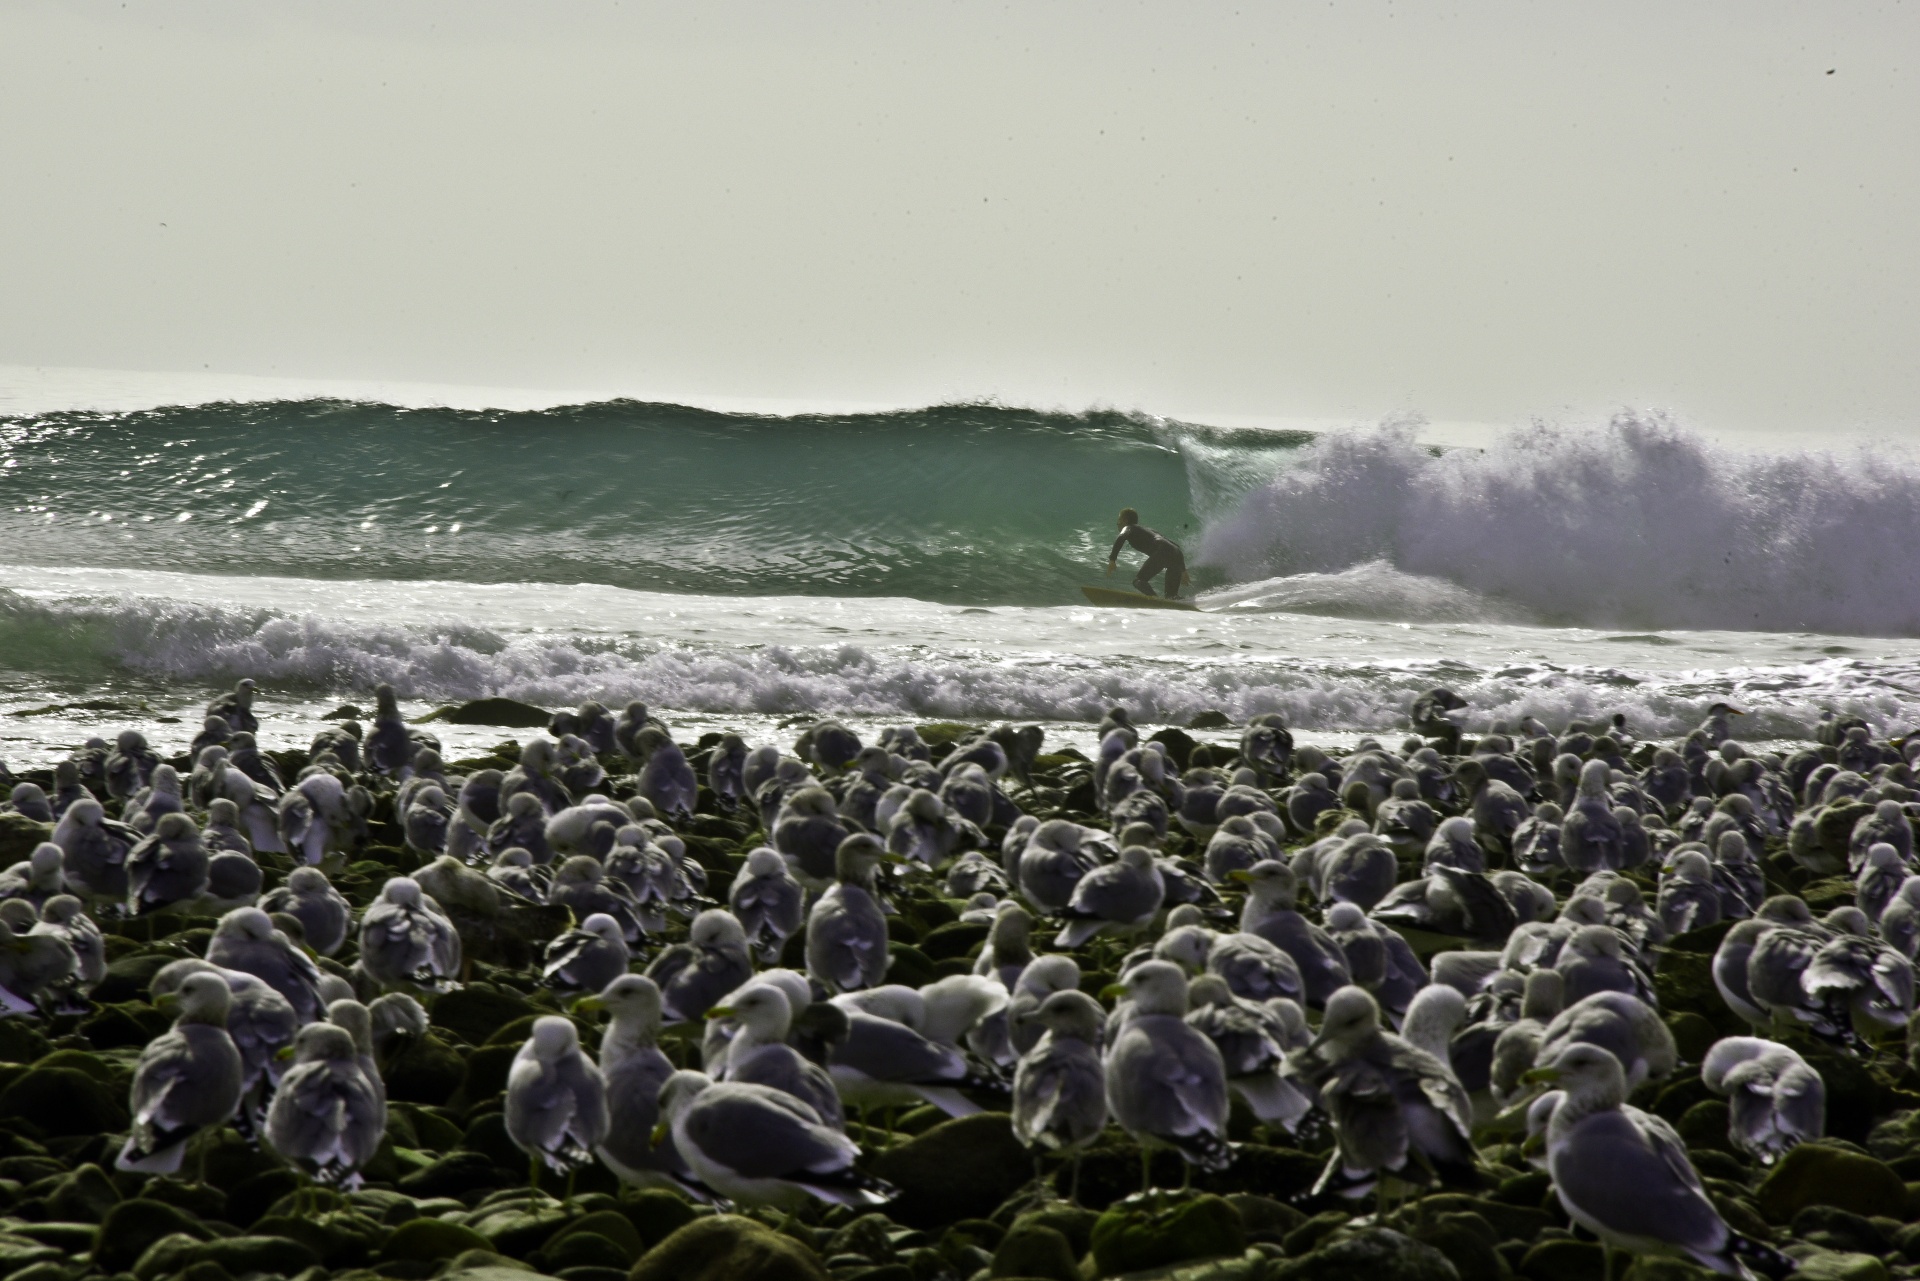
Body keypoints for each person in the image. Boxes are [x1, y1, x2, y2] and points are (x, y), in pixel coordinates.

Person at [1105, 508, 1186, 598]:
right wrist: (1183, 569)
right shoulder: (1148, 531)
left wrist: (1112, 559)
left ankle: (1155, 600)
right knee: (1171, 597)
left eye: (1119, 520)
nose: (1117, 523)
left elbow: (1121, 537)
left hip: (1162, 551)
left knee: (1139, 581)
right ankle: (1175, 602)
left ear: (1125, 520)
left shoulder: (1128, 527)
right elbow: (1174, 546)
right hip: (1176, 554)